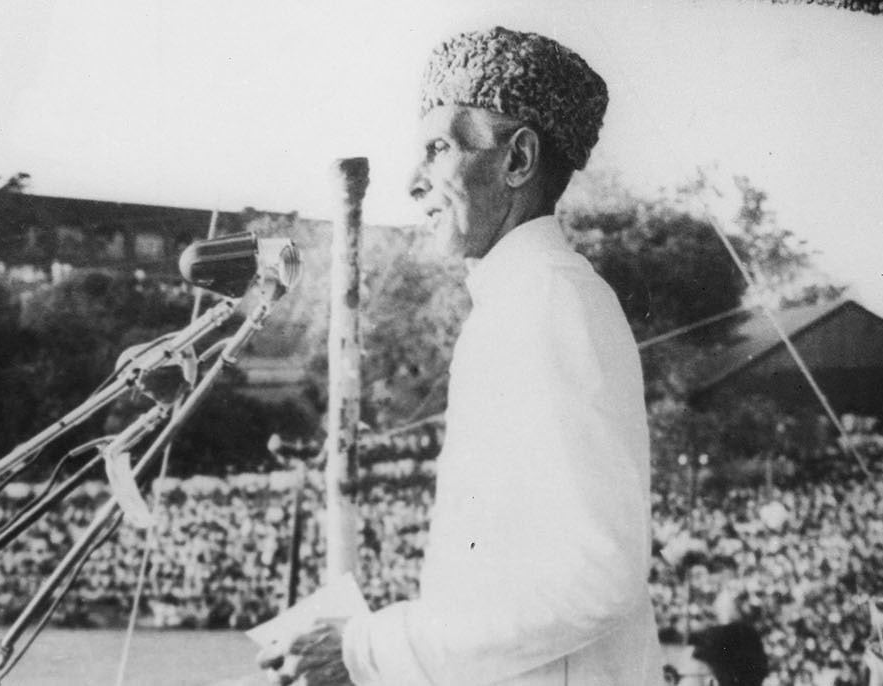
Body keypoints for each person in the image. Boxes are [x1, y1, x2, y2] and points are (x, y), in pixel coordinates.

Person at [259, 26, 661, 685]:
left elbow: (596, 578)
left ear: (518, 159)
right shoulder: (517, 303)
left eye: (438, 149)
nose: (413, 181)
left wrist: (371, 650)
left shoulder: (551, 303)